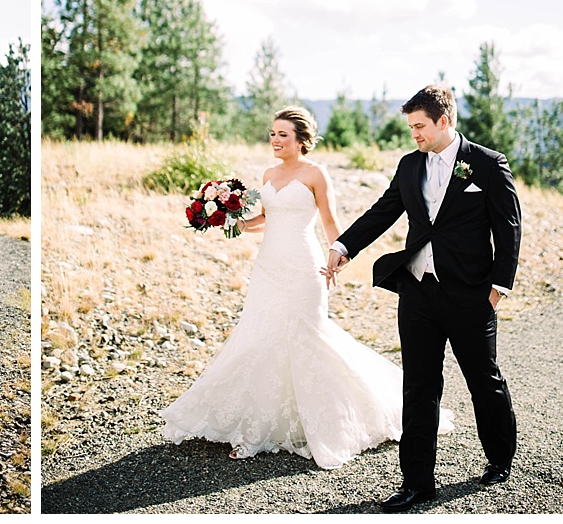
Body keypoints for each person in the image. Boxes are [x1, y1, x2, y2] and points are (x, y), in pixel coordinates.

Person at [161, 106, 449, 469]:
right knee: (261, 336)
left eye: (283, 135)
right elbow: (267, 217)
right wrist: (228, 217)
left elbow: (329, 220)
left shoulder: (316, 173)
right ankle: (259, 425)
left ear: (301, 139)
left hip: (304, 266)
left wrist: (337, 258)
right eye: (273, 134)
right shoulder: (268, 174)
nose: (276, 140)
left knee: (308, 336)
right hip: (268, 266)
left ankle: (335, 420)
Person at [327, 84, 520, 512]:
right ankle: (417, 483)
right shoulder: (409, 165)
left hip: (471, 294)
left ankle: (500, 457)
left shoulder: (486, 165)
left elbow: (508, 229)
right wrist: (343, 248)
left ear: (443, 121)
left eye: (419, 126)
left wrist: (497, 288)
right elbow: (383, 211)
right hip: (417, 292)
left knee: (482, 381)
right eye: (410, 126)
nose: (413, 133)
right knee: (418, 387)